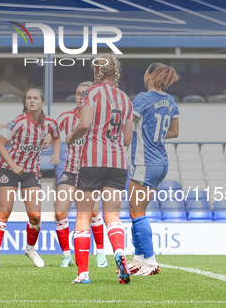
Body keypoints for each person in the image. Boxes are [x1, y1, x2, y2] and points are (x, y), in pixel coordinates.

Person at [66, 54, 133, 285]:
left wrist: (70, 137)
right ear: (115, 71)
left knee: (84, 215)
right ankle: (120, 254)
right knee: (112, 215)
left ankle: (83, 273)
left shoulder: (89, 94)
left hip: (92, 160)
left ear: (96, 71)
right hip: (118, 162)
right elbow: (126, 139)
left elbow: (84, 124)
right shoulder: (125, 99)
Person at [0, 87, 61, 269]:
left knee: (35, 215)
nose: (31, 100)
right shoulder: (17, 122)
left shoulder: (50, 123)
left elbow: (57, 137)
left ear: (42, 103)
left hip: (31, 172)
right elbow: (0, 144)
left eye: (35, 98)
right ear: (25, 103)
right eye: (28, 98)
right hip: (9, 170)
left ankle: (30, 249)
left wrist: (55, 152)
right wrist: (13, 165)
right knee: (4, 212)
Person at [128, 63, 179, 276]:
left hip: (144, 162)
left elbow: (127, 124)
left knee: (136, 211)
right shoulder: (170, 101)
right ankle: (139, 258)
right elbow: (174, 132)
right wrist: (153, 134)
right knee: (137, 211)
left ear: (149, 76)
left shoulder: (143, 98)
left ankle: (150, 261)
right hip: (161, 162)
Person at [56, 82, 108, 268]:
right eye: (78, 94)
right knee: (60, 212)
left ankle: (100, 252)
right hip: (70, 171)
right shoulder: (66, 117)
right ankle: (65, 255)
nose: (81, 98)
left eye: (84, 94)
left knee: (93, 212)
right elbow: (52, 134)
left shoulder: (100, 119)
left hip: (91, 172)